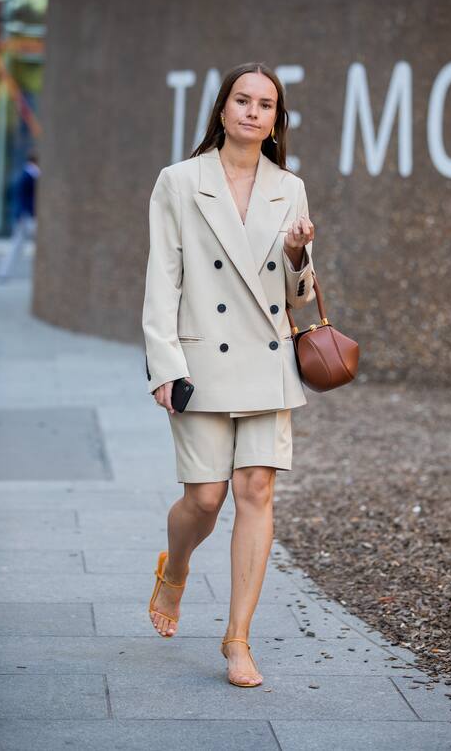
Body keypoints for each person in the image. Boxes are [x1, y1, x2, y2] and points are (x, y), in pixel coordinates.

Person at [143, 62, 316, 687]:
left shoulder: (288, 187)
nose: (252, 111)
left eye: (265, 104)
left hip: (267, 359)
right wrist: (163, 364)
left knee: (256, 493)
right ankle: (176, 568)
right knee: (205, 498)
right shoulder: (179, 182)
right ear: (221, 111)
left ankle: (238, 638)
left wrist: (299, 255)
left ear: (275, 122)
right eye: (241, 100)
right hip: (200, 358)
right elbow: (163, 276)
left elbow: (299, 294)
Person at [0, 151, 40, 282]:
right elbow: (21, 197)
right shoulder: (28, 175)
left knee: (17, 244)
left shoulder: (29, 175)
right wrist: (21, 214)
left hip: (27, 216)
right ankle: (3, 272)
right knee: (18, 244)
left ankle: (3, 272)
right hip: (27, 217)